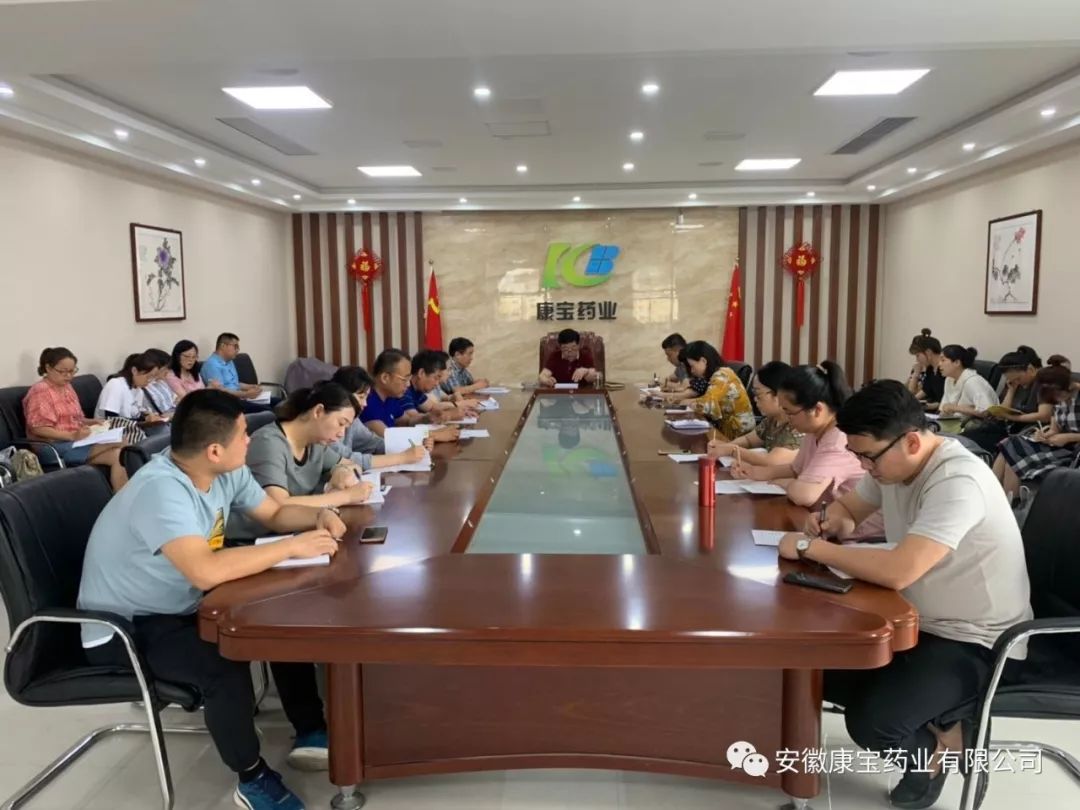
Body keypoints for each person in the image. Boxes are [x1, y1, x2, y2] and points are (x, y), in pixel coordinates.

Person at [77, 389, 348, 810]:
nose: (250, 439)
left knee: (276, 617)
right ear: (214, 450)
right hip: (124, 626)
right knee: (221, 666)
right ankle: (252, 777)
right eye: (243, 434)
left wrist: (318, 516)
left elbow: (275, 514)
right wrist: (292, 547)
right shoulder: (161, 490)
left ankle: (310, 727)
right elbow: (204, 570)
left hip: (179, 602)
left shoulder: (224, 471)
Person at [778, 380, 1031, 810]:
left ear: (911, 441)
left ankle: (933, 755)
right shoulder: (893, 464)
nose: (864, 466)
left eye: (868, 457)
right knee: (808, 668)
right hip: (914, 617)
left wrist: (809, 547)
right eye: (856, 455)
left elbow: (899, 570)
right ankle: (942, 719)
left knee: (874, 723)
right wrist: (833, 522)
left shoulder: (958, 481)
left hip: (977, 639)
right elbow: (849, 509)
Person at [732, 362, 884, 536]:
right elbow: (795, 469)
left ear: (817, 409)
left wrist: (783, 483)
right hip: (823, 524)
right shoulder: (814, 431)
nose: (787, 418)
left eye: (790, 412)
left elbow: (804, 494)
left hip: (859, 536)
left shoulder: (839, 440)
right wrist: (756, 472)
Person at [226, 382, 376, 540]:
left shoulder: (315, 443)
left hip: (295, 531)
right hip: (255, 540)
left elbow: (352, 465)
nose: (341, 434)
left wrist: (340, 470)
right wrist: (345, 496)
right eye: (341, 423)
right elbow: (279, 505)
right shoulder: (268, 443)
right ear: (318, 411)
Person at [22, 347, 128, 490]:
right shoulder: (40, 391)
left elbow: (76, 418)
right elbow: (38, 428)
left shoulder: (67, 387)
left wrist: (93, 422)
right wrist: (71, 435)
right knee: (120, 441)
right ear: (48, 368)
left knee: (118, 455)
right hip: (53, 447)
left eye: (72, 371)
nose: (68, 376)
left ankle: (121, 498)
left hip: (76, 441)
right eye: (63, 371)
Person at [995, 359, 1080, 499]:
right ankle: (996, 496)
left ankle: (1006, 501)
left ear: (1068, 386)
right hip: (1059, 445)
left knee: (1013, 454)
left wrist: (1068, 437)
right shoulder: (1057, 399)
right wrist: (1044, 435)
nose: (1057, 400)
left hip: (1074, 451)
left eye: (1058, 395)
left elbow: (1064, 436)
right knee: (1010, 444)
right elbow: (1055, 429)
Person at [329, 366, 431, 470]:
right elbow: (345, 459)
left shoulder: (354, 420)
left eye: (366, 397)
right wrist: (402, 457)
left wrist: (416, 445)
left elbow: (374, 443)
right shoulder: (327, 422)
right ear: (342, 394)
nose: (365, 404)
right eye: (361, 397)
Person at [707, 361, 802, 466]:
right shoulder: (771, 420)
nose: (755, 399)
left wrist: (732, 450)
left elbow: (771, 461)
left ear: (779, 395)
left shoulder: (798, 424)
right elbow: (749, 440)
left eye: (758, 394)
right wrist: (725, 447)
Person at [963, 346, 1050, 453]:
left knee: (980, 443)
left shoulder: (1044, 383)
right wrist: (1011, 390)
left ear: (1030, 370)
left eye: (1018, 379)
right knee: (967, 438)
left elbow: (1044, 416)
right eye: (1011, 379)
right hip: (1009, 428)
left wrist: (1012, 417)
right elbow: (1002, 412)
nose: (1016, 382)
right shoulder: (1014, 384)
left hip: (1029, 431)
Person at [359, 349, 458, 442]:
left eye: (409, 379)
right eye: (405, 379)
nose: (408, 384)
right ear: (385, 378)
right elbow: (389, 438)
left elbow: (407, 421)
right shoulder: (367, 401)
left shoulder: (390, 397)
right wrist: (434, 435)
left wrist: (428, 417)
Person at [671, 341, 755, 440]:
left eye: (692, 366)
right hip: (728, 430)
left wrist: (685, 402)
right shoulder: (718, 374)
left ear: (703, 361)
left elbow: (708, 405)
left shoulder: (722, 375)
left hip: (739, 435)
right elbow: (708, 400)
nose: (692, 371)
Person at [201, 332, 273, 412]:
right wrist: (246, 394)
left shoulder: (229, 360)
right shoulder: (211, 365)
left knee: (276, 402)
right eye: (235, 346)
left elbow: (235, 384)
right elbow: (221, 392)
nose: (238, 350)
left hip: (240, 398)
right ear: (223, 346)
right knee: (268, 411)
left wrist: (251, 387)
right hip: (228, 404)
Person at [95, 352, 169, 426]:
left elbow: (136, 415)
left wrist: (147, 416)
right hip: (108, 429)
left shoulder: (139, 390)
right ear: (134, 371)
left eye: (153, 377)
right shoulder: (116, 384)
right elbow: (111, 419)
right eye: (148, 377)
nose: (150, 381)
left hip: (129, 428)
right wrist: (145, 420)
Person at [936, 345, 999, 432]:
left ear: (957, 362)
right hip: (955, 424)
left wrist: (956, 408)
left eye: (943, 360)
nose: (939, 364)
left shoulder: (973, 381)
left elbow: (987, 412)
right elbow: (945, 408)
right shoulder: (949, 379)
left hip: (978, 428)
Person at [906, 329, 945, 410]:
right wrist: (908, 403)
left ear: (928, 352)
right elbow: (925, 390)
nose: (917, 360)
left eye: (918, 355)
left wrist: (928, 406)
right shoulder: (930, 369)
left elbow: (946, 400)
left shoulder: (945, 369)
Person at [142, 348, 178, 416]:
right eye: (165, 368)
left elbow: (176, 399)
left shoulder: (163, 382)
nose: (167, 371)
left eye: (169, 368)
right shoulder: (144, 388)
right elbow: (150, 415)